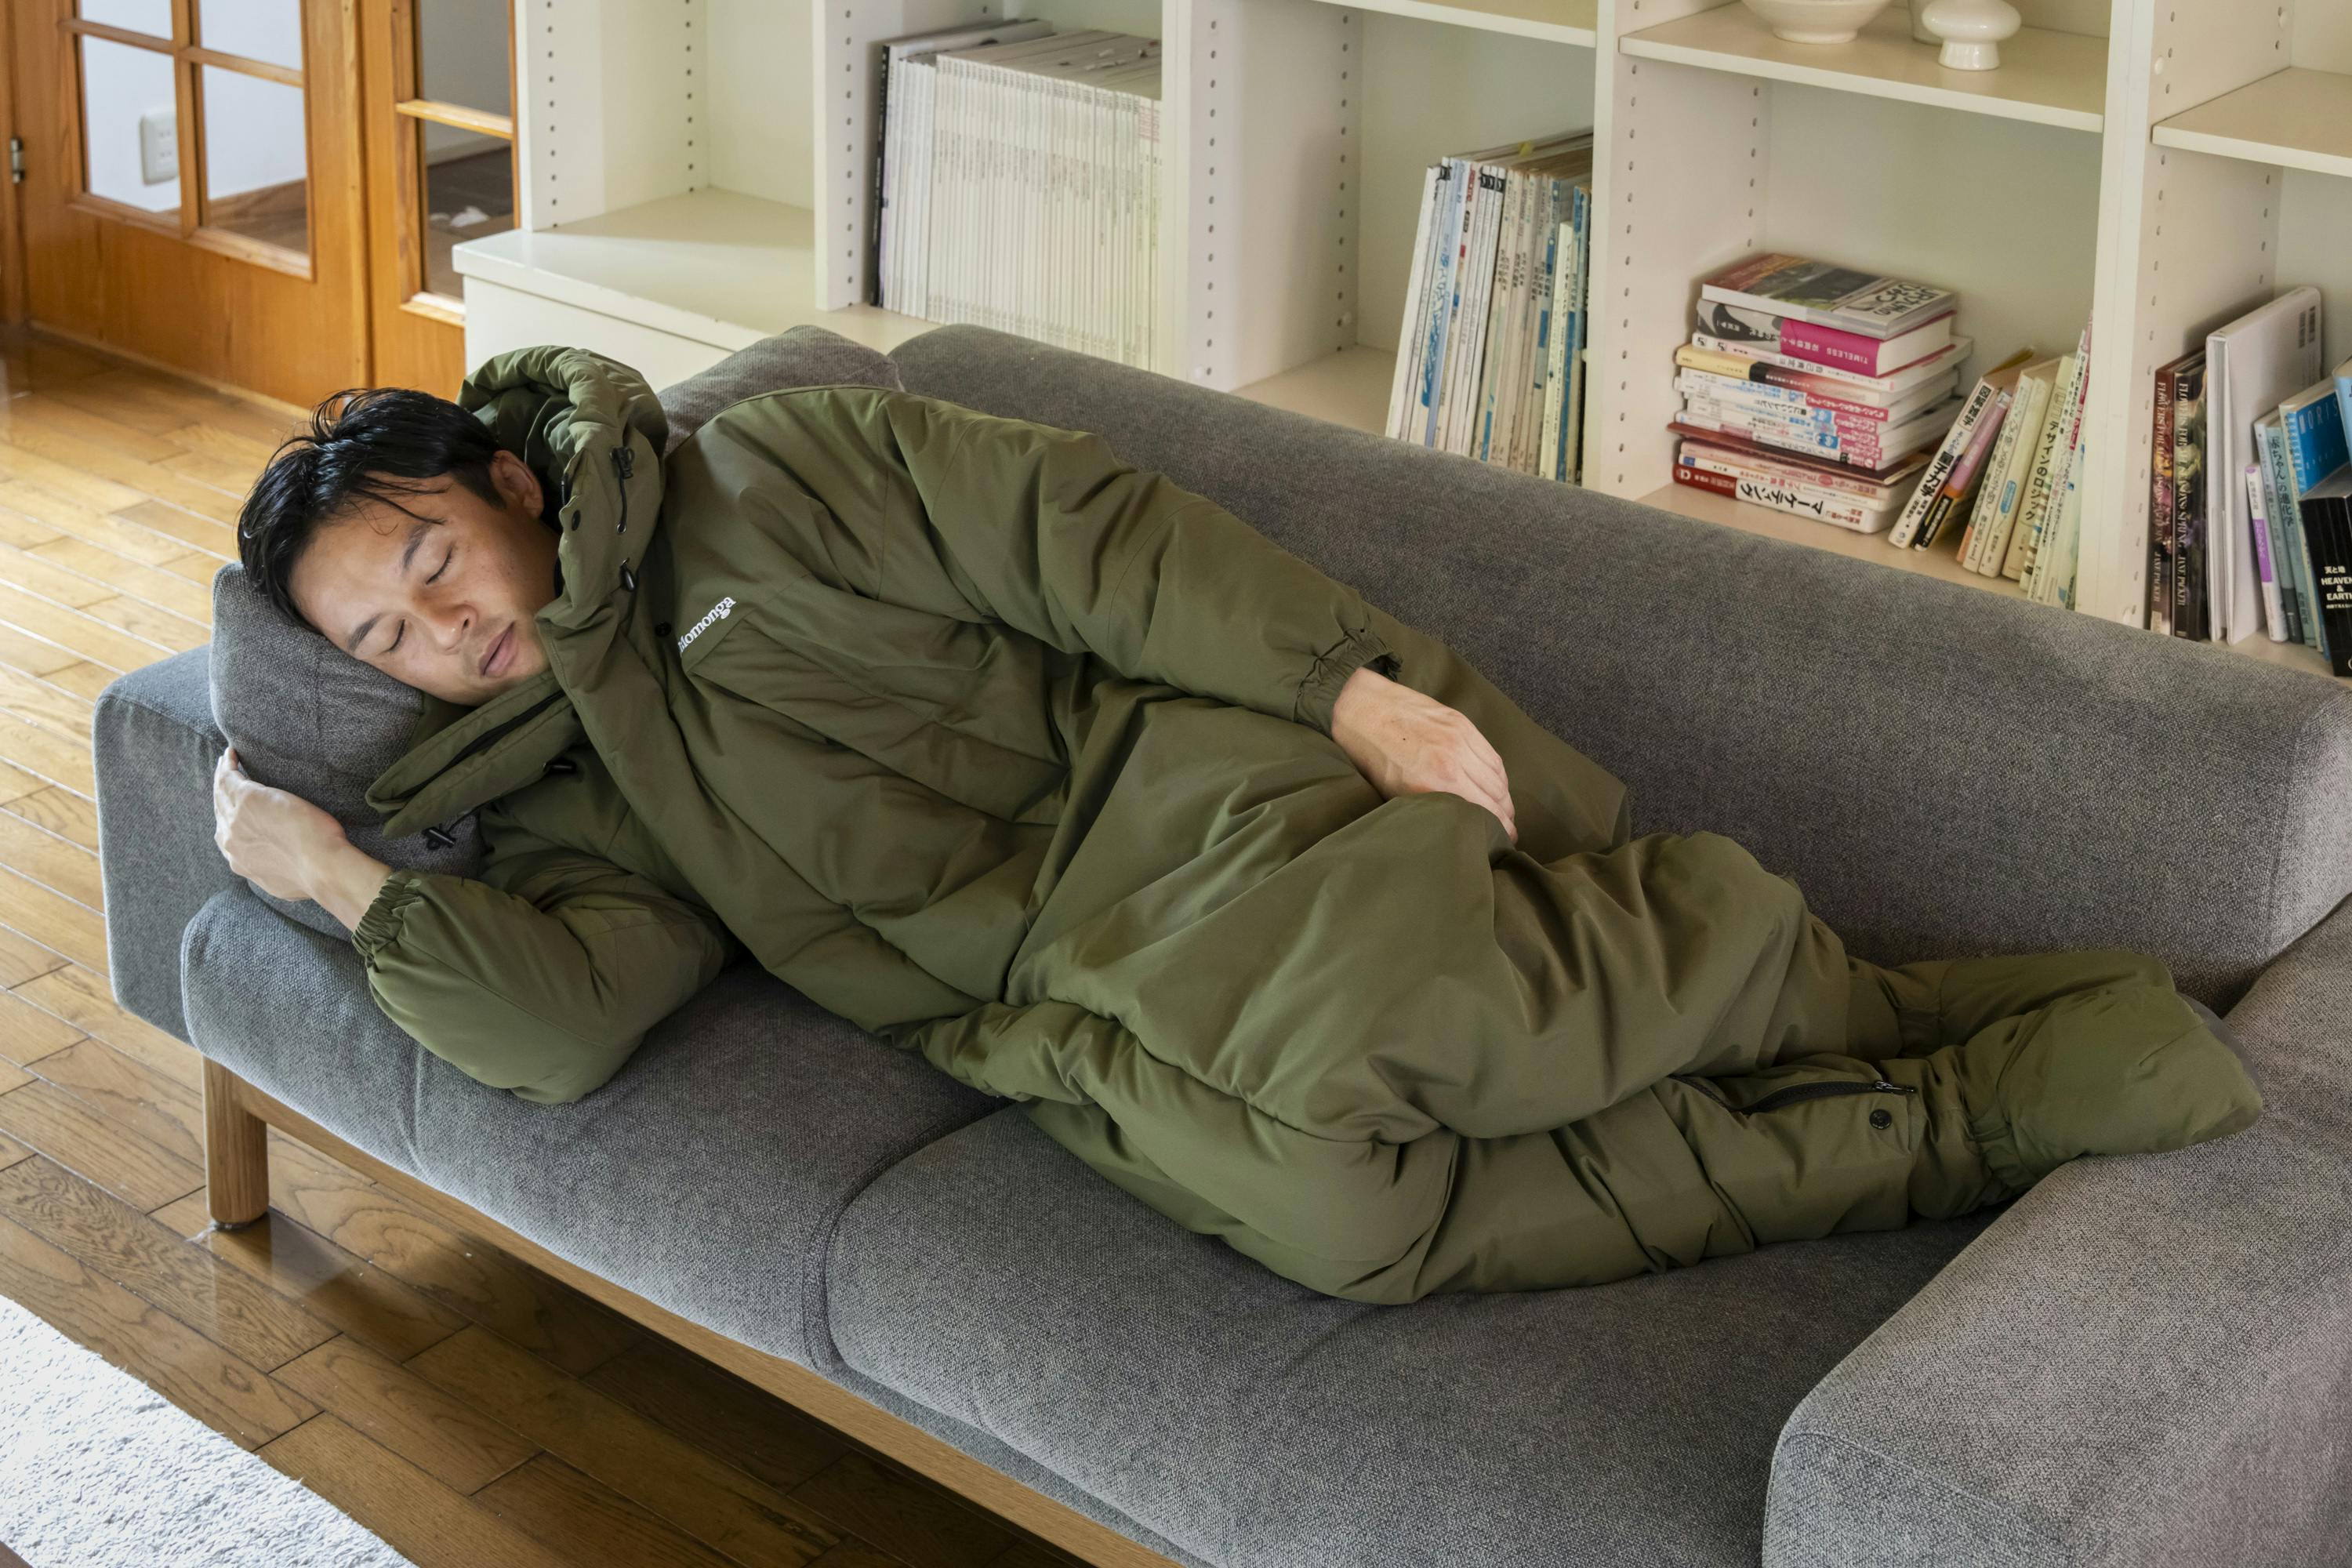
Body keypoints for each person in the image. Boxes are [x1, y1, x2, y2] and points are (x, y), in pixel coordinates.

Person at [212, 345, 2265, 1304]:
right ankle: (1948, 1112)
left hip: (1192, 814)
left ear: (503, 478)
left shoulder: (772, 471)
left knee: (1421, 1033)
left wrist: (1341, 686)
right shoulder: (573, 793)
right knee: (1354, 1222)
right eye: (388, 639)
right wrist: (338, 876)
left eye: (431, 558)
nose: (445, 631)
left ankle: (1823, 993)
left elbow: (1086, 535)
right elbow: (564, 1023)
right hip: (1053, 1014)